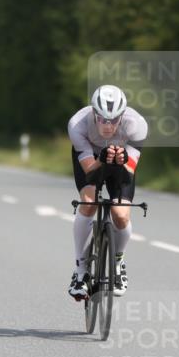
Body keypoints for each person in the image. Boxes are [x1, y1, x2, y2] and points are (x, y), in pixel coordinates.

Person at [67, 84, 147, 300]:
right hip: (91, 160)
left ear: (122, 116)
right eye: (102, 119)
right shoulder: (78, 125)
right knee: (88, 202)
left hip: (120, 161)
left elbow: (129, 171)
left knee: (121, 214)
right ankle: (81, 271)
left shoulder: (137, 125)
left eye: (113, 120)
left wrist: (120, 161)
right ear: (94, 113)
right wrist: (101, 159)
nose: (107, 125)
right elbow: (89, 171)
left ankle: (118, 261)